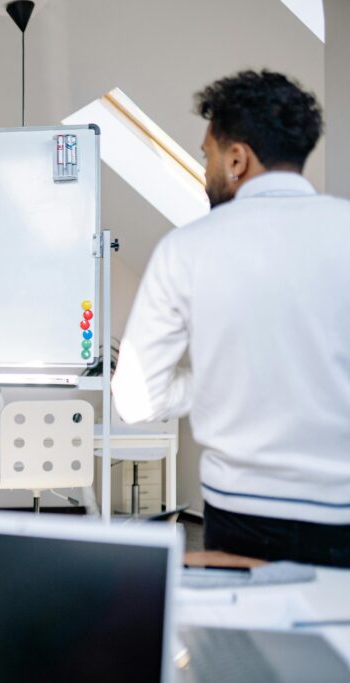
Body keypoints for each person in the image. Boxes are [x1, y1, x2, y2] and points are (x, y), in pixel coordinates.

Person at [112, 70, 350, 566]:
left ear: (237, 158)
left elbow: (135, 401)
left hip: (242, 517)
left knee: (238, 647)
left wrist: (220, 382)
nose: (205, 170)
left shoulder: (186, 250)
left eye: (206, 155)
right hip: (341, 514)